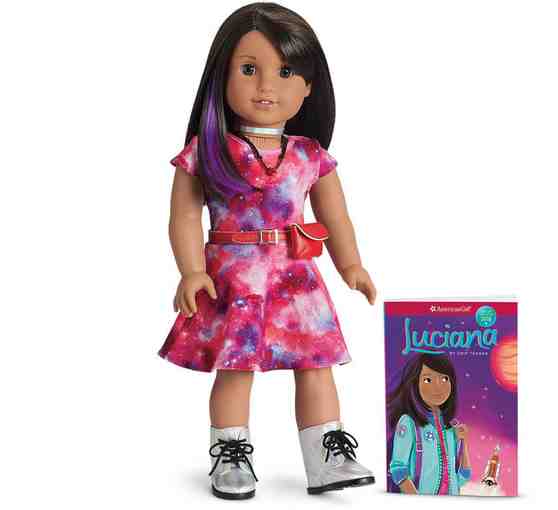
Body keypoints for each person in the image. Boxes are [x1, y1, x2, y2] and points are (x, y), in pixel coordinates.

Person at [157, 2, 377, 499]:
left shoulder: (310, 156)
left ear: (309, 85)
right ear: (221, 76)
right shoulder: (208, 150)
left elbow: (335, 217)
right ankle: (230, 452)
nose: (266, 86)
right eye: (249, 69)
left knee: (316, 365)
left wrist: (352, 264)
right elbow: (184, 217)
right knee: (236, 368)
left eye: (285, 72)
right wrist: (191, 270)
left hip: (296, 278)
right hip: (233, 277)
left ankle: (327, 456)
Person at [387, 354, 472, 495]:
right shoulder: (409, 423)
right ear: (414, 383)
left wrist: (463, 442)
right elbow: (398, 470)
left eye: (444, 379)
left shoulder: (452, 426)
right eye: (428, 380)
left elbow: (464, 475)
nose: (438, 387)